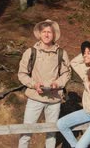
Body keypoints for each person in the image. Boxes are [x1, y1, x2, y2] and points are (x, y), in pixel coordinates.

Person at [18, 19, 71, 148]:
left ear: (54, 35)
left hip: (54, 100)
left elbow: (67, 73)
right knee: (26, 131)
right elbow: (22, 74)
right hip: (35, 98)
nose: (47, 35)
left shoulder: (61, 53)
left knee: (51, 133)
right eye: (44, 32)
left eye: (49, 32)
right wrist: (34, 84)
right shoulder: (30, 52)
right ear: (40, 34)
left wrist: (57, 84)